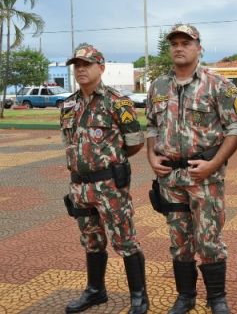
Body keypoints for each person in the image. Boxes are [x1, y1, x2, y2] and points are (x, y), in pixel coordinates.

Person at [146, 24, 237, 314]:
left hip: (204, 176)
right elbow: (151, 125)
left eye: (186, 43)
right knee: (178, 240)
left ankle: (217, 298)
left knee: (209, 239)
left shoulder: (218, 84)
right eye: (174, 43)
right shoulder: (158, 86)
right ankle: (185, 296)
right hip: (170, 178)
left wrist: (214, 164)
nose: (179, 47)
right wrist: (151, 156)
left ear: (199, 48)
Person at [61, 43, 148, 314]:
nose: (81, 69)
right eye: (77, 65)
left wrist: (109, 161)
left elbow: (134, 142)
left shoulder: (117, 102)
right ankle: (95, 291)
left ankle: (138, 296)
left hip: (109, 185)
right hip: (80, 185)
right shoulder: (68, 104)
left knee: (125, 239)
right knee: (91, 239)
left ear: (101, 67)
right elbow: (70, 143)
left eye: (86, 64)